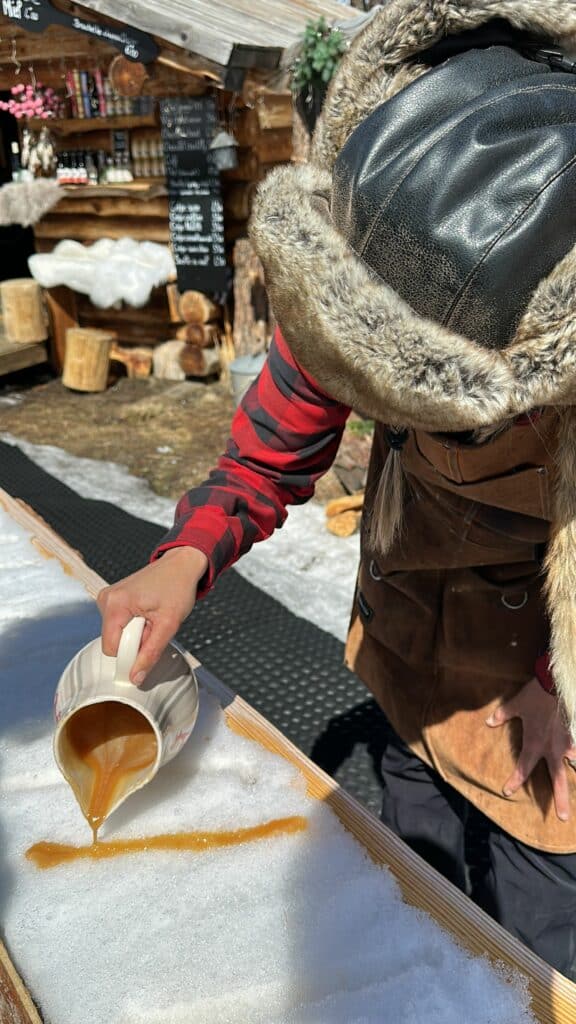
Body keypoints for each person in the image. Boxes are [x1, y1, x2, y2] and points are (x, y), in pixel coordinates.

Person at [98, 0, 576, 978]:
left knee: (532, 969)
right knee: (413, 933)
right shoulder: (384, 247)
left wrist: (551, 680)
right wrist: (189, 555)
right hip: (407, 653)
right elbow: (267, 449)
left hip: (543, 736)